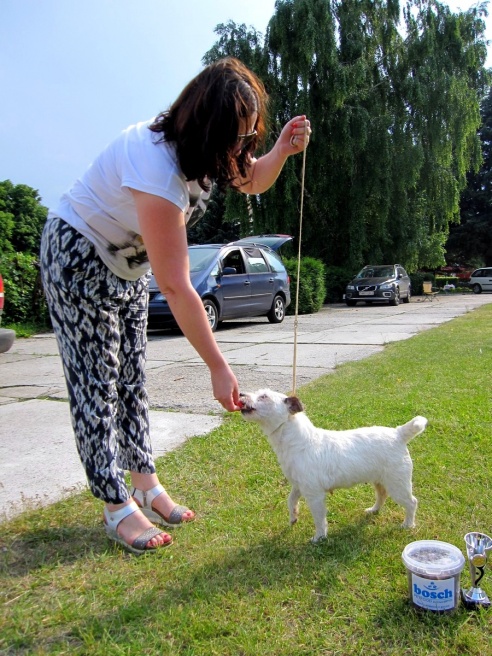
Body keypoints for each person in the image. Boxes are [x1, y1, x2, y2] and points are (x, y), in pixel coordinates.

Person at [40, 57, 311, 555]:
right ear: (206, 128)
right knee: (97, 385)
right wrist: (218, 367)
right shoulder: (155, 163)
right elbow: (178, 284)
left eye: (248, 137)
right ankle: (116, 504)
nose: (240, 150)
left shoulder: (209, 151)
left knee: (131, 379)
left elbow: (252, 178)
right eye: (236, 139)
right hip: (76, 255)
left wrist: (280, 150)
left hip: (124, 266)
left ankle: (144, 481)